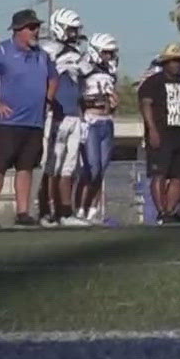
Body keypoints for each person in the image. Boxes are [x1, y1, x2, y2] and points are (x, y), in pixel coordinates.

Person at [0, 9, 58, 228]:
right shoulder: (1, 52)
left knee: (26, 166)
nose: (36, 31)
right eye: (31, 27)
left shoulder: (42, 55)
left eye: (37, 27)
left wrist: (47, 99)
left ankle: (23, 212)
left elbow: (54, 78)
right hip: (7, 121)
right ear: (19, 30)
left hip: (34, 121)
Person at [138, 44, 180, 223]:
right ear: (165, 63)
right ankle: (161, 211)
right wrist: (151, 129)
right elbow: (146, 106)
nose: (177, 65)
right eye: (173, 61)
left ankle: (169, 211)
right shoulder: (153, 82)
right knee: (159, 173)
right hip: (161, 132)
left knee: (178, 175)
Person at [40, 42, 92, 226]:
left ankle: (65, 212)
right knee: (52, 166)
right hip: (56, 116)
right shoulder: (49, 50)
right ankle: (46, 212)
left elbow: (85, 77)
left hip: (73, 116)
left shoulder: (76, 53)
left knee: (69, 168)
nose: (74, 34)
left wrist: (82, 115)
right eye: (70, 29)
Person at [75, 34, 120, 225]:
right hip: (90, 121)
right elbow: (77, 95)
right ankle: (79, 208)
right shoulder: (83, 69)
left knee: (100, 170)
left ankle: (91, 208)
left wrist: (113, 102)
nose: (109, 56)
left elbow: (111, 98)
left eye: (111, 52)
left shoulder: (109, 71)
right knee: (91, 169)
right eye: (105, 52)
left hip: (107, 121)